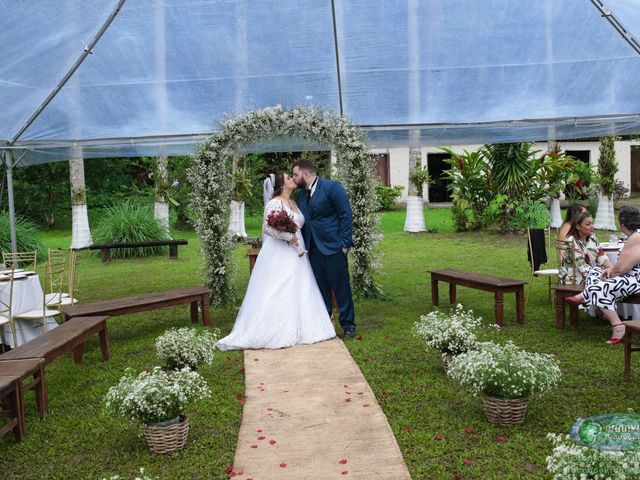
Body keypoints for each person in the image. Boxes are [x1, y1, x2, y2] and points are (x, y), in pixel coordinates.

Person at [216, 172, 336, 350]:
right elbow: (267, 228)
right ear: (281, 185)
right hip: (281, 251)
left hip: (298, 251)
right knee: (281, 286)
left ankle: (304, 327)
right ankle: (275, 328)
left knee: (300, 285)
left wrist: (295, 239)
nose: (292, 179)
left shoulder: (294, 202)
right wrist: (288, 237)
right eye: (289, 178)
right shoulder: (274, 203)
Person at [292, 159, 357, 338]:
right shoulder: (300, 196)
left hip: (334, 245)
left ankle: (348, 325)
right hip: (312, 248)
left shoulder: (332, 187)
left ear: (306, 174)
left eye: (296, 175)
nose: (294, 178)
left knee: (341, 287)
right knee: (320, 288)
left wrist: (345, 244)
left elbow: (345, 214)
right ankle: (324, 323)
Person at [567, 205, 640, 344]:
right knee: (596, 275)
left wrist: (612, 271)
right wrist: (611, 271)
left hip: (635, 279)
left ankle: (618, 326)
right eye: (588, 224)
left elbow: (620, 267)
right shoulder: (636, 235)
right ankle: (591, 296)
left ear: (622, 224)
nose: (592, 226)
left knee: (598, 287)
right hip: (627, 276)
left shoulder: (635, 237)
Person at [559, 210, 612, 285]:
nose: (592, 226)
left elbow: (602, 257)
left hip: (589, 275)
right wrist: (601, 274)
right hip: (573, 279)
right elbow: (582, 267)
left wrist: (612, 269)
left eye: (592, 223)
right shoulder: (570, 241)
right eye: (588, 224)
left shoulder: (592, 238)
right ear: (578, 226)